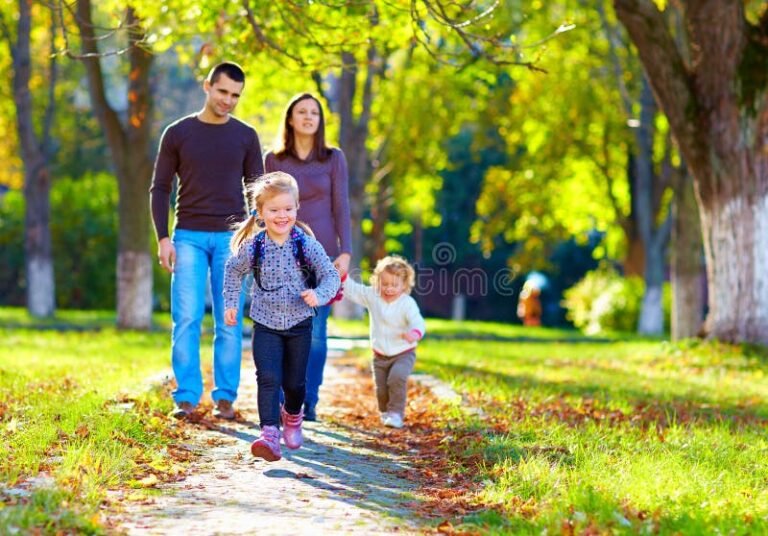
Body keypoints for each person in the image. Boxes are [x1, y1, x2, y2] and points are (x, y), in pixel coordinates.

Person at [149, 61, 264, 420]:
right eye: (223, 91)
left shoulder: (246, 136)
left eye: (235, 95)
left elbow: (257, 193)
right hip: (188, 237)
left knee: (229, 320)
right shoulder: (178, 133)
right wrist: (163, 238)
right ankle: (186, 397)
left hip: (232, 240)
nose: (228, 100)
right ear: (207, 87)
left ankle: (225, 397)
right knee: (186, 318)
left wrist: (253, 236)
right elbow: (160, 188)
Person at [223, 172, 340, 461]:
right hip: (265, 323)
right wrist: (231, 303)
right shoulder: (255, 246)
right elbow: (233, 270)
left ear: (297, 208)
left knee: (295, 383)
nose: (282, 215)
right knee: (268, 377)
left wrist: (319, 295)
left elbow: (331, 276)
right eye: (274, 210)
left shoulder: (305, 245)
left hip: (300, 323)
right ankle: (269, 435)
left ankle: (293, 416)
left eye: (288, 208)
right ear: (260, 212)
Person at [264, 93, 352, 422]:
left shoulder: (333, 158)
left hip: (324, 254)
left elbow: (341, 205)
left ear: (320, 120)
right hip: (280, 253)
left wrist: (346, 251)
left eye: (314, 112)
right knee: (280, 327)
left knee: (315, 331)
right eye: (301, 111)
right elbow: (263, 207)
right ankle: (282, 399)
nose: (308, 117)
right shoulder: (274, 159)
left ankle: (307, 400)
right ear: (290, 118)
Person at [342, 255, 425, 429]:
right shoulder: (373, 295)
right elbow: (353, 290)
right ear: (377, 281)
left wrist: (414, 333)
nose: (389, 289)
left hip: (403, 352)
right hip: (379, 354)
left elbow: (418, 322)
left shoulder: (407, 303)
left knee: (397, 377)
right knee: (381, 389)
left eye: (394, 285)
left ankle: (396, 413)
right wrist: (342, 275)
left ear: (404, 285)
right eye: (384, 283)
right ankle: (385, 411)